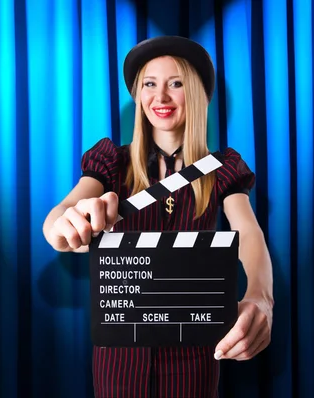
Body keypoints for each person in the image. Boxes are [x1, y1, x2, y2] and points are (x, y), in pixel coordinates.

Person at [43, 36, 274, 398]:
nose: (161, 97)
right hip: (120, 357)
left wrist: (261, 295)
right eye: (150, 84)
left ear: (196, 94)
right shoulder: (112, 162)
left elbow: (247, 230)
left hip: (195, 353)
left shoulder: (221, 167)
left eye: (176, 83)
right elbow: (61, 214)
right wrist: (63, 226)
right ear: (137, 96)